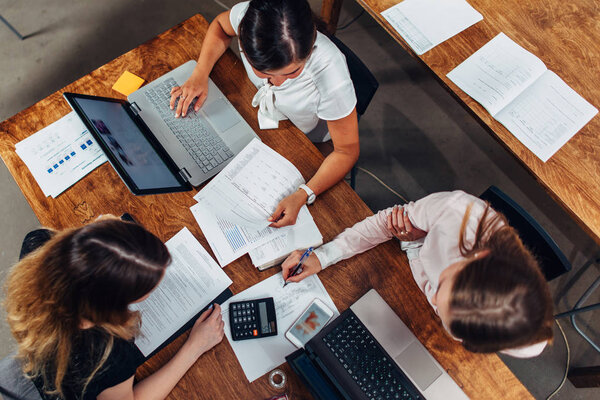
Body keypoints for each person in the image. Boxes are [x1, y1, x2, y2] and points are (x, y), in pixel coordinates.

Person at [282, 190, 554, 357]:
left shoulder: (527, 343)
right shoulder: (457, 212)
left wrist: (413, 244)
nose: (432, 298)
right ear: (480, 256)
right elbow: (386, 222)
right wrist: (324, 255)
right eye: (443, 282)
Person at [170, 0, 359, 228]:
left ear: (309, 51)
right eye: (263, 72)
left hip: (308, 140)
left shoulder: (331, 74)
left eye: (292, 73)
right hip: (259, 117)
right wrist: (200, 73)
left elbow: (346, 151)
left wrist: (303, 194)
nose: (276, 83)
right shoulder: (249, 19)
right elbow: (221, 25)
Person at [4, 217, 225, 400]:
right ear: (111, 305)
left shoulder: (38, 245)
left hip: (34, 359)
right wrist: (194, 348)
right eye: (148, 287)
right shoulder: (108, 353)